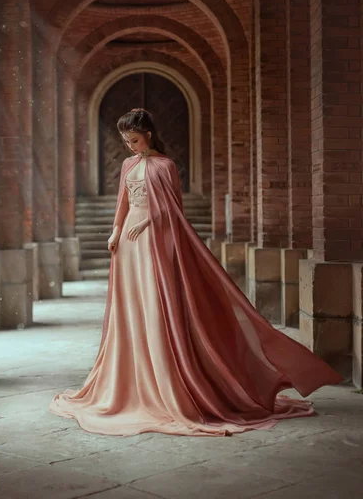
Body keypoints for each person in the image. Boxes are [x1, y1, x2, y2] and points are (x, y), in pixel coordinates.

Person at [49, 108, 342, 437]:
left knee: (157, 304)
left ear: (148, 133)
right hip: (128, 245)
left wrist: (148, 221)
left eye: (134, 139)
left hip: (154, 240)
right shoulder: (128, 165)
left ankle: (167, 376)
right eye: (126, 141)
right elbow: (123, 202)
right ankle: (134, 375)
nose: (130, 146)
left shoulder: (166, 165)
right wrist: (115, 230)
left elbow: (173, 210)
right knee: (131, 307)